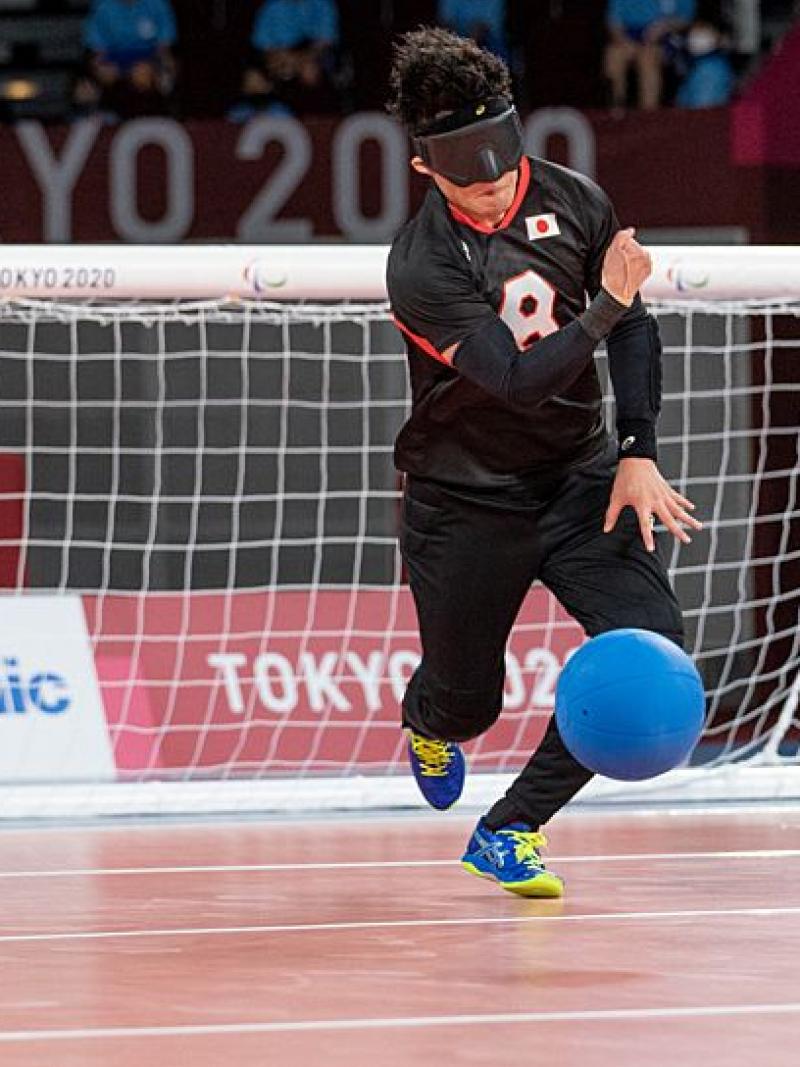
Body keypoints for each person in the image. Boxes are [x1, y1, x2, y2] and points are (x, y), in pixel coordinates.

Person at [386, 27, 702, 898]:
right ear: (426, 170)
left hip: (581, 477)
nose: (490, 198)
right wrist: (603, 306)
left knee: (650, 651)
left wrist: (638, 451)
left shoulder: (577, 200)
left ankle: (510, 827)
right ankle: (428, 719)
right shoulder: (421, 264)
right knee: (467, 703)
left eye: (500, 178)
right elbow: (520, 379)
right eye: (468, 185)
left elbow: (637, 326)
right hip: (464, 500)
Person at [241, 0, 343, 116]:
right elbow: (263, 46)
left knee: (309, 72)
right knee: (253, 80)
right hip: (280, 57)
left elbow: (326, 42)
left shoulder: (323, 4)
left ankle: (313, 119)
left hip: (314, 57)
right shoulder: (272, 7)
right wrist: (282, 59)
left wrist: (298, 60)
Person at [79, 0, 178, 119]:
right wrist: (100, 69)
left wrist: (160, 72)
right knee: (92, 83)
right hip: (115, 58)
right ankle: (108, 117)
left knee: (142, 74)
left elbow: (164, 49)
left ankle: (152, 116)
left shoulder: (157, 4)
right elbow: (97, 51)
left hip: (148, 58)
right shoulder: (102, 6)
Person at [604, 0, 696, 109]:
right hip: (630, 36)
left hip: (667, 37)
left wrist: (665, 26)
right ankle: (616, 107)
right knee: (614, 54)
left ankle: (648, 111)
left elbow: (686, 19)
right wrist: (624, 42)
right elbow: (614, 22)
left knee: (647, 57)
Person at [675, 19, 736, 107]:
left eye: (703, 32)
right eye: (694, 32)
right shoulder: (699, 64)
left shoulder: (711, 68)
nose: (696, 37)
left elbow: (703, 106)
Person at [436, 0, 508, 60]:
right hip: (455, 38)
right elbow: (446, 22)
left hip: (486, 41)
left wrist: (468, 48)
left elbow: (483, 27)